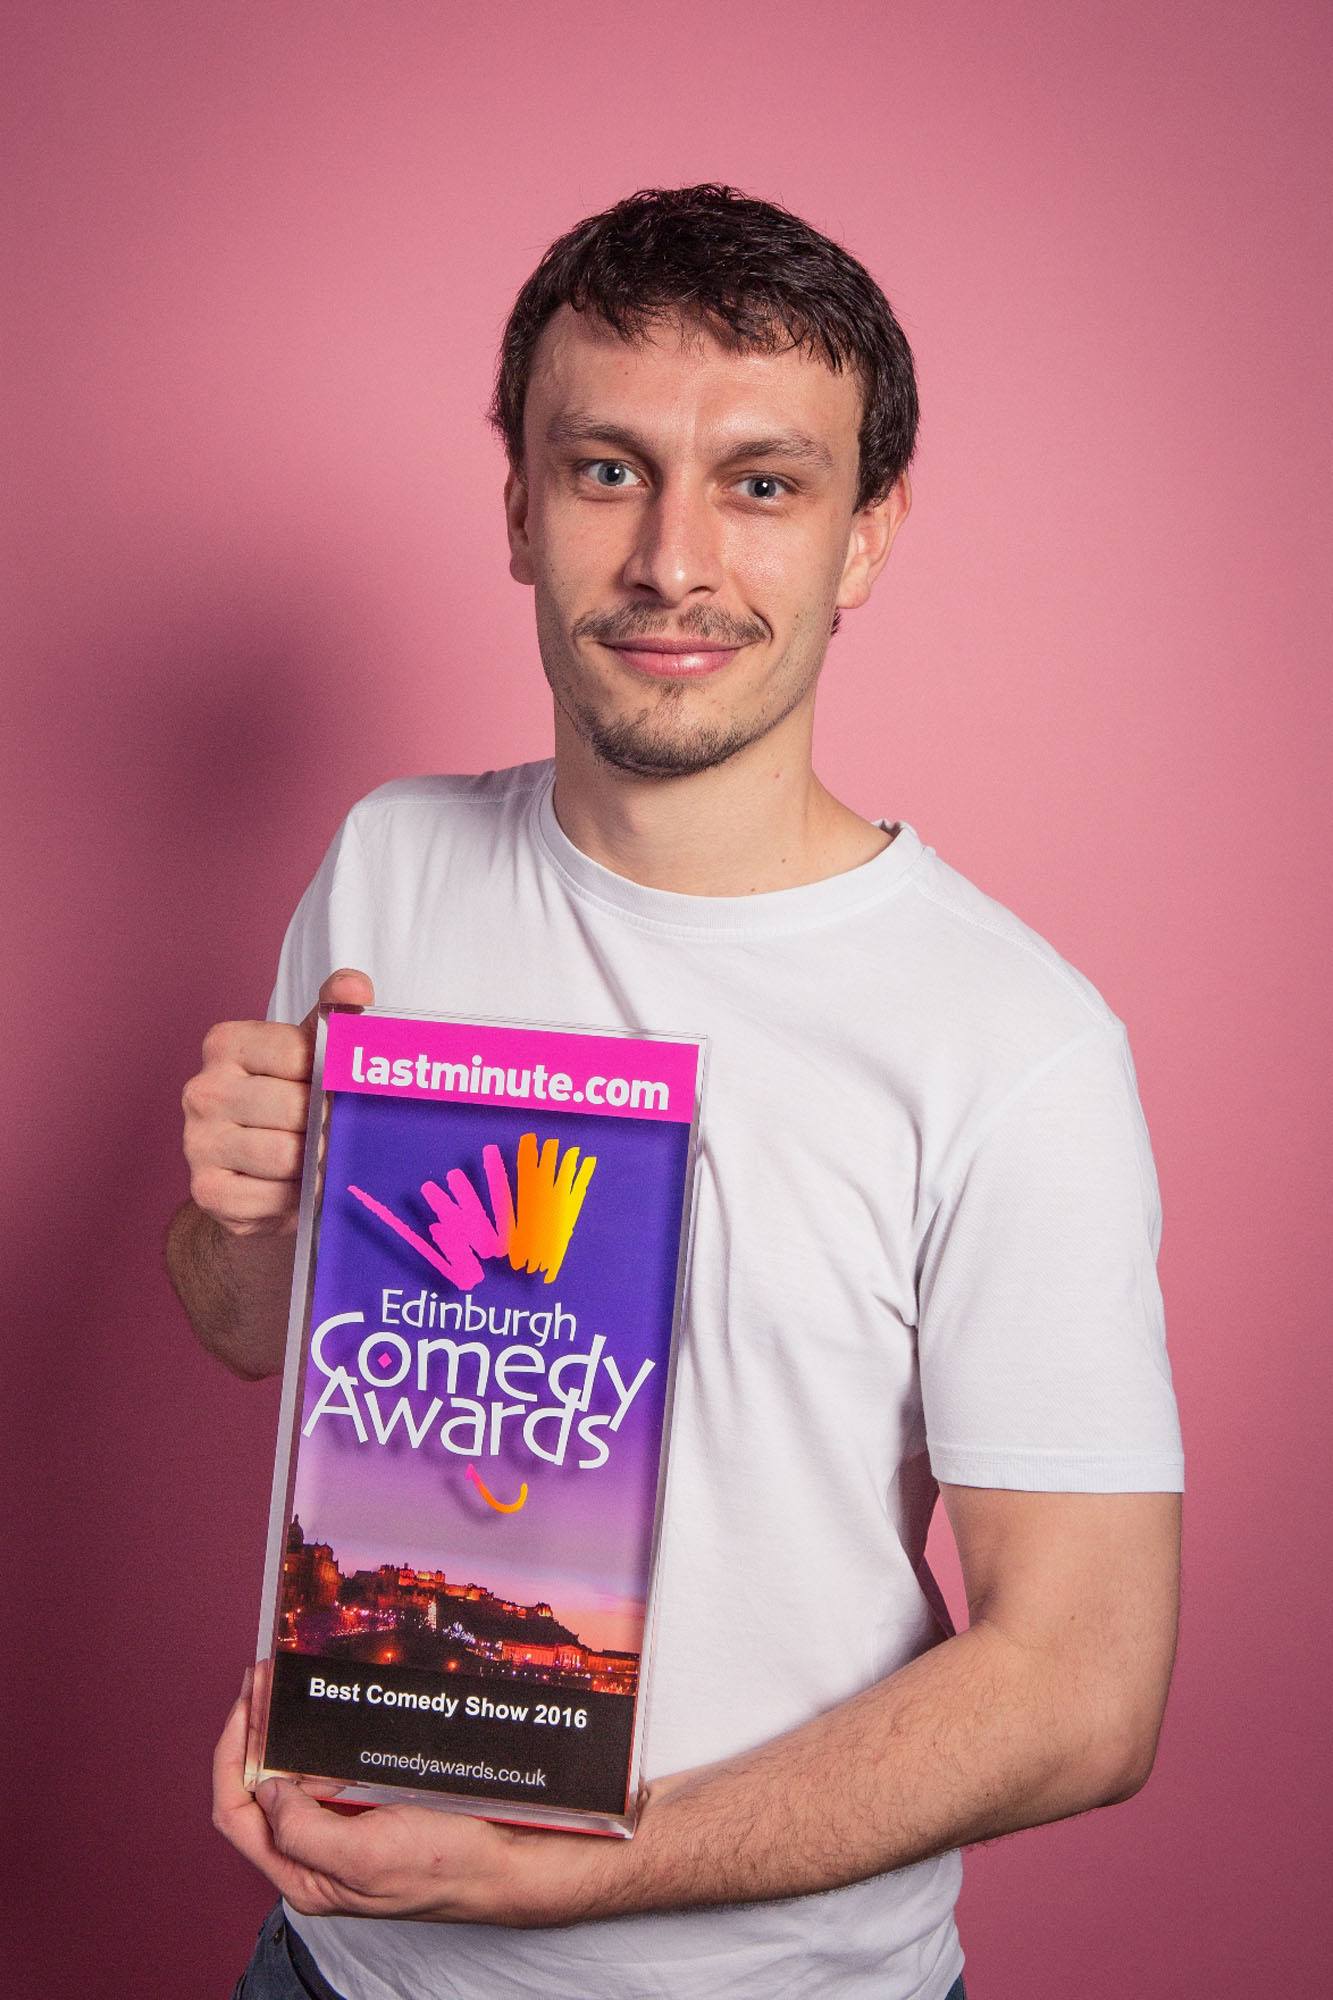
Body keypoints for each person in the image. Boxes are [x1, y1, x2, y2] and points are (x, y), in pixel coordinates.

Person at [168, 184, 1184, 2000]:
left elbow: (1086, 1696)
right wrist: (242, 1211)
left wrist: (576, 1877)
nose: (673, 563)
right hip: (334, 1967)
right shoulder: (389, 863)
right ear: (517, 506)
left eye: (765, 484)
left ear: (866, 537)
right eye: (609, 470)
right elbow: (259, 1334)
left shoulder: (1010, 1043)